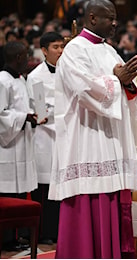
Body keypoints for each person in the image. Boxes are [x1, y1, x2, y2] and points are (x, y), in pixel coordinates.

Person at [48, 0, 137, 258]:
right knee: (90, 201)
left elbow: (123, 87)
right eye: (108, 18)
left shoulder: (110, 51)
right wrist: (117, 80)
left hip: (109, 137)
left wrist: (129, 85)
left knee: (111, 195)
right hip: (86, 138)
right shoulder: (74, 51)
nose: (114, 23)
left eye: (115, 18)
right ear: (91, 18)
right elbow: (84, 89)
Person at [0, 40, 42, 250]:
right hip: (6, 147)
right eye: (25, 55)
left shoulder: (21, 80)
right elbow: (1, 115)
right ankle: (5, 239)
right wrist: (24, 117)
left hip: (20, 141)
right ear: (17, 58)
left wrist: (32, 117)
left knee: (18, 194)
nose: (28, 59)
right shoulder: (2, 80)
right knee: (6, 194)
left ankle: (15, 237)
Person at [26, 31, 64, 244]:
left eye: (62, 46)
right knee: (45, 188)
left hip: (64, 136)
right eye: (55, 47)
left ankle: (59, 230)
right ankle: (44, 233)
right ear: (43, 51)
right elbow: (40, 112)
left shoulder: (67, 71)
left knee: (60, 187)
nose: (60, 51)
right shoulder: (36, 76)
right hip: (45, 137)